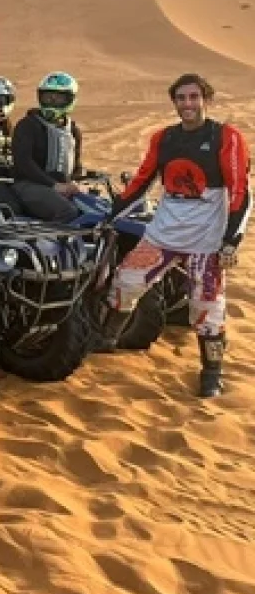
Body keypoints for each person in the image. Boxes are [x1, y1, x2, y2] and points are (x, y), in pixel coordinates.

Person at [98, 73, 251, 398]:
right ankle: (107, 338)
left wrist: (231, 241)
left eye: (194, 97)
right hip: (163, 233)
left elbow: (241, 191)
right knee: (126, 282)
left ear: (206, 100)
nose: (187, 104)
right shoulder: (164, 138)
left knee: (207, 307)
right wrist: (111, 216)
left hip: (206, 240)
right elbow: (141, 182)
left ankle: (212, 373)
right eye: (181, 98)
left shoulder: (226, 138)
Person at [9, 72, 85, 222]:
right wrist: (54, 185)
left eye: (58, 98)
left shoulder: (73, 131)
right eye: (48, 97)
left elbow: (76, 166)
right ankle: (51, 238)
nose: (52, 101)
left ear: (70, 99)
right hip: (28, 185)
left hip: (60, 186)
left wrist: (77, 183)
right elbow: (24, 163)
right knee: (67, 211)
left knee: (94, 208)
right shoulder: (27, 125)